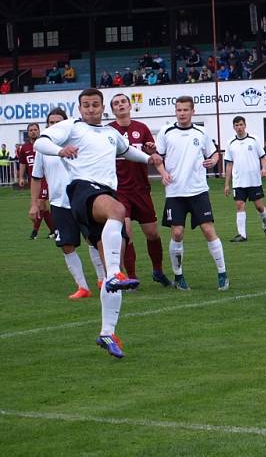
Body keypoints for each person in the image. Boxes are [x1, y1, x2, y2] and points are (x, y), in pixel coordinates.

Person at [35, 88, 162, 358]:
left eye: (95, 105)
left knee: (112, 258)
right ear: (79, 108)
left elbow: (128, 151)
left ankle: (107, 332)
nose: (91, 109)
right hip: (83, 190)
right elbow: (40, 143)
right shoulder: (72, 126)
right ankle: (117, 272)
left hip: (103, 192)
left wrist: (149, 158)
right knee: (118, 210)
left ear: (102, 107)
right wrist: (60, 150)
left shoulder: (110, 133)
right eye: (86, 105)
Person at [154, 95, 229, 291]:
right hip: (175, 192)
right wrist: (162, 173)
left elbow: (214, 153)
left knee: (208, 230)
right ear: (175, 111)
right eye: (179, 110)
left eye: (185, 110)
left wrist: (213, 160)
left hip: (198, 190)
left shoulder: (201, 132)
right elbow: (157, 157)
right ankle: (178, 276)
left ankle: (222, 273)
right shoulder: (166, 131)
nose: (182, 113)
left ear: (192, 112)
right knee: (177, 233)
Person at [28, 108, 103, 300]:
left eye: (58, 122)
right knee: (66, 245)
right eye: (51, 123)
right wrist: (34, 204)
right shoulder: (43, 150)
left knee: (94, 240)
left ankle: (103, 279)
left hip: (83, 200)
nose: (54, 126)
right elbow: (36, 178)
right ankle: (82, 287)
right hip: (59, 203)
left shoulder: (78, 143)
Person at [108, 93, 172, 287]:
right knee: (126, 232)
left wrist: (163, 172)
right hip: (119, 191)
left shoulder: (142, 128)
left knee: (152, 233)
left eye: (123, 102)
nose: (120, 105)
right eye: (116, 103)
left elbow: (153, 154)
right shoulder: (108, 131)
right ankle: (131, 276)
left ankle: (158, 271)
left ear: (130, 106)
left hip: (141, 190)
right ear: (112, 110)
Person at [224, 116, 266, 242]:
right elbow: (229, 164)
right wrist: (227, 184)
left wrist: (264, 168)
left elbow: (263, 157)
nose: (239, 127)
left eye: (241, 124)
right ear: (233, 127)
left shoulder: (253, 140)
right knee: (239, 205)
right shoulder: (230, 143)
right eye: (236, 125)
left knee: (259, 207)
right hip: (239, 181)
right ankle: (242, 235)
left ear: (245, 125)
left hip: (254, 180)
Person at [18, 122, 56, 239]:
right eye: (31, 130)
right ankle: (54, 230)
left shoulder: (44, 144)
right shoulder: (24, 148)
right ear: (28, 133)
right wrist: (21, 177)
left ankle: (34, 232)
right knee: (43, 207)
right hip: (34, 181)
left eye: (35, 129)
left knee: (39, 204)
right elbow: (23, 163)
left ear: (39, 131)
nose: (33, 132)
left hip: (45, 179)